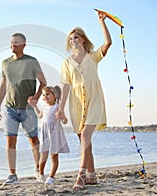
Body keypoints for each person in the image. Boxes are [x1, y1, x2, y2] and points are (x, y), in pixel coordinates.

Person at [55, 12, 112, 190]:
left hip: (94, 99)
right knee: (84, 141)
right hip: (77, 102)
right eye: (71, 39)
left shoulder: (93, 57)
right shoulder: (67, 63)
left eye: (76, 37)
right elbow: (65, 86)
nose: (73, 41)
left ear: (83, 39)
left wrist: (102, 22)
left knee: (86, 136)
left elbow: (108, 43)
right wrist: (61, 108)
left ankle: (80, 176)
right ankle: (92, 176)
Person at [0, 33, 47, 185]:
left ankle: (38, 170)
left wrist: (36, 97)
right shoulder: (5, 63)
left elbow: (43, 82)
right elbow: (3, 86)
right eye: (11, 42)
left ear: (24, 44)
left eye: (16, 43)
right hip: (10, 108)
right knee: (10, 141)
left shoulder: (31, 61)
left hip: (27, 109)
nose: (13, 45)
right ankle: (12, 175)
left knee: (33, 139)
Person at [28, 86, 70, 185]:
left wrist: (61, 117)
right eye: (43, 95)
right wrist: (34, 106)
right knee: (43, 154)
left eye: (47, 94)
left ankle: (51, 177)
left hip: (54, 133)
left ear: (54, 96)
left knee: (54, 156)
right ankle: (41, 174)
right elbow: (39, 116)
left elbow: (65, 121)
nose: (45, 96)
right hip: (45, 133)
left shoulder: (58, 107)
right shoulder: (44, 107)